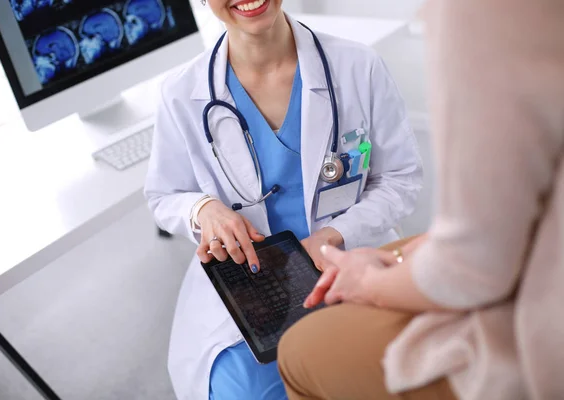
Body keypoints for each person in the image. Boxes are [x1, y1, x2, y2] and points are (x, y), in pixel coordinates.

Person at [277, 0, 564, 399]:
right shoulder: (184, 91)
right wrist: (400, 257)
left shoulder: (478, 14)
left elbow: (472, 267)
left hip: (545, 324)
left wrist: (371, 280)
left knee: (297, 350)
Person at [144, 0, 423, 398]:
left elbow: (401, 177)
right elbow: (164, 195)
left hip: (350, 266)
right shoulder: (180, 93)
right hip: (252, 294)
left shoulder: (358, 66)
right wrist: (201, 208)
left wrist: (334, 236)